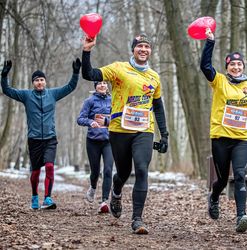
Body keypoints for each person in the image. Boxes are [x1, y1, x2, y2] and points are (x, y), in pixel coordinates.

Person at [81, 33, 168, 234]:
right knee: (122, 173)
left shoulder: (154, 77)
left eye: (147, 47)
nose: (143, 50)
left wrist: (164, 134)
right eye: (140, 46)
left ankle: (137, 219)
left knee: (142, 168)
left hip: (144, 130)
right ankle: (116, 191)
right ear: (133, 49)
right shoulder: (119, 68)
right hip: (119, 129)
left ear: (150, 51)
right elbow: (90, 74)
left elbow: (158, 106)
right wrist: (87, 51)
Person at [200, 28, 247, 233]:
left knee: (239, 174)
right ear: (227, 67)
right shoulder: (219, 81)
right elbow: (205, 66)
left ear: (243, 67)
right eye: (232, 64)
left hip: (241, 139)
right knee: (222, 179)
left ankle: (241, 216)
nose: (236, 67)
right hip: (220, 138)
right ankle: (214, 197)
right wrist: (210, 42)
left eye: (239, 64)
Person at [1, 58, 81, 210]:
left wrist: (76, 72)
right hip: (34, 140)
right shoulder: (26, 96)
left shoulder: (53, 94)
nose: (39, 82)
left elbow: (70, 87)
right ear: (33, 83)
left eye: (42, 80)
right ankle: (34, 196)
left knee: (50, 166)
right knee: (36, 172)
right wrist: (4, 76)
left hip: (50, 138)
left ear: (45, 82)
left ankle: (48, 198)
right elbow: (7, 91)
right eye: (36, 80)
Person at [77, 81, 114, 213]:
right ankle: (92, 187)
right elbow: (80, 119)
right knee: (95, 171)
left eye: (104, 83)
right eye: (99, 84)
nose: (102, 85)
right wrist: (90, 121)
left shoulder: (113, 99)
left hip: (109, 141)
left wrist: (107, 122)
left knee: (108, 170)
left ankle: (104, 201)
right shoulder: (90, 101)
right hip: (93, 141)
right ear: (95, 86)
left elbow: (119, 119)